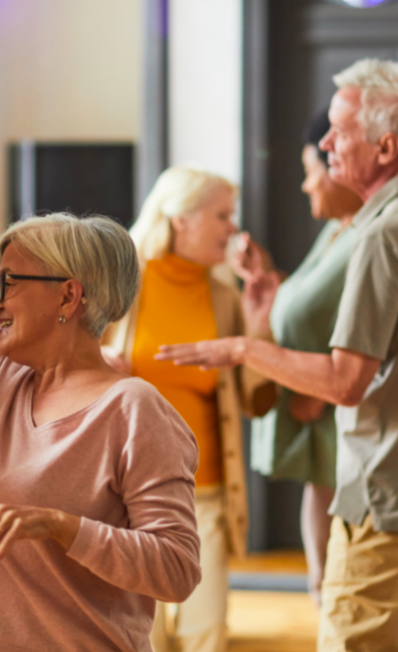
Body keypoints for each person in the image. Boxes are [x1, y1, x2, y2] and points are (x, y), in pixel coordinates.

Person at [160, 58, 398, 651]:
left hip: (388, 500)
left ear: (386, 147)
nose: (325, 144)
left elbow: (343, 381)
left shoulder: (384, 233)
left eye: (339, 131)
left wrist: (241, 347)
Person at [0, 85, 202, 652]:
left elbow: (177, 567)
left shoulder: (133, 410)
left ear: (69, 297)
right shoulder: (1, 371)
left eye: (9, 283)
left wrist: (62, 527)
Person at [103, 167, 275, 652]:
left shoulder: (224, 296)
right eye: (222, 215)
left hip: (207, 496)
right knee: (139, 637)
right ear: (180, 218)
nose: (232, 229)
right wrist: (96, 362)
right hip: (126, 493)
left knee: (207, 635)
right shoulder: (119, 286)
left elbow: (257, 401)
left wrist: (258, 327)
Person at [234, 110, 364, 607]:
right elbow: (314, 301)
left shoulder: (366, 239)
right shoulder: (335, 231)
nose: (307, 184)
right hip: (318, 412)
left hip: (337, 409)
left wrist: (326, 397)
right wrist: (268, 279)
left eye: (312, 168)